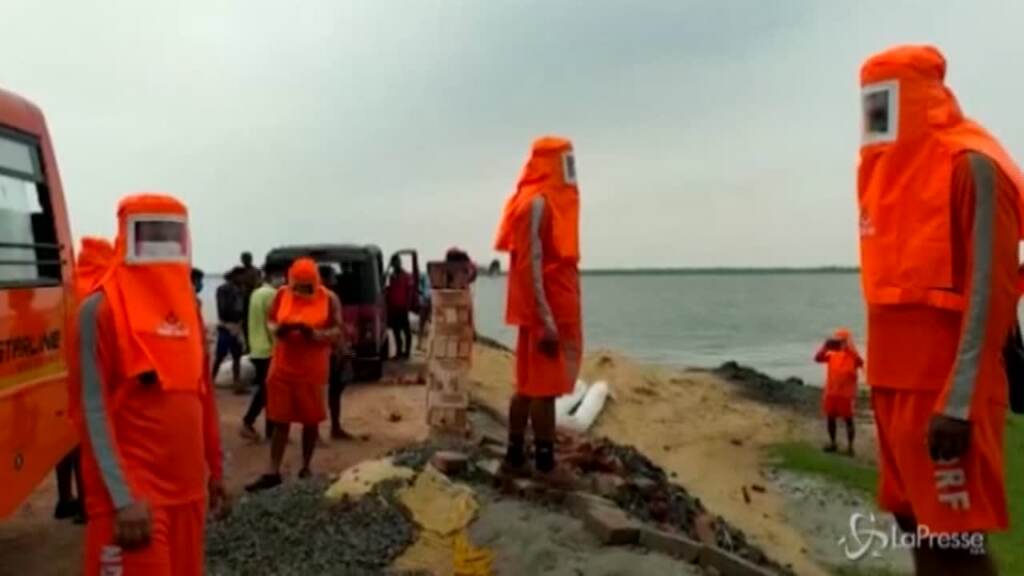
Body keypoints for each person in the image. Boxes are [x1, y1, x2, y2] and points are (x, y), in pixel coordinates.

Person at [858, 46, 1023, 575]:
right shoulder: (881, 175)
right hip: (891, 384)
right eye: (867, 104)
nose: (873, 117)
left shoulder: (971, 166)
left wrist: (959, 404)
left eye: (883, 102)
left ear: (918, 97)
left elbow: (992, 291)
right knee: (913, 526)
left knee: (956, 544)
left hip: (945, 391)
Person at [72, 194, 225, 575]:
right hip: (134, 502)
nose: (161, 245)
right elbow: (92, 410)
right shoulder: (98, 310)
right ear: (127, 237)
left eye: (169, 234)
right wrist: (121, 498)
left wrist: (216, 469)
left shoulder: (189, 309)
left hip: (189, 495)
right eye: (151, 234)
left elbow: (202, 394)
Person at [494, 136, 582, 484]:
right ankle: (545, 466)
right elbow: (528, 267)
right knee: (542, 391)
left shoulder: (552, 202)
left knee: (530, 386)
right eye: (566, 161)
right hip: (544, 314)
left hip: (554, 309)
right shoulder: (537, 204)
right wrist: (545, 320)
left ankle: (515, 456)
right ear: (549, 163)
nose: (571, 169)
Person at [246, 258, 342, 491]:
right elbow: (270, 321)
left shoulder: (329, 299)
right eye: (298, 287)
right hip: (283, 366)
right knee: (280, 420)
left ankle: (306, 467)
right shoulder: (281, 295)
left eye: (307, 287)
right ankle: (273, 471)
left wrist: (315, 335)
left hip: (312, 369)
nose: (302, 292)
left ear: (316, 282)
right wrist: (279, 330)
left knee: (310, 420)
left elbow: (337, 330)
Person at [55, 236, 115, 525]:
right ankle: (86, 504)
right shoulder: (101, 289)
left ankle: (64, 499)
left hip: (58, 373)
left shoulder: (70, 285)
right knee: (85, 441)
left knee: (64, 439)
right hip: (87, 377)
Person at [241, 261, 286, 441]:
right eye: (281, 277)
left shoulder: (256, 293)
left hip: (257, 347)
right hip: (269, 349)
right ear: (273, 277)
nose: (283, 281)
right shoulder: (272, 295)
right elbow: (273, 324)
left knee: (268, 391)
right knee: (268, 391)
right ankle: (249, 422)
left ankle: (270, 430)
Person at [814, 329, 863, 456]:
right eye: (836, 340)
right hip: (831, 392)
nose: (839, 342)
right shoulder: (832, 354)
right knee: (830, 418)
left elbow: (861, 362)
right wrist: (825, 346)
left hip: (846, 395)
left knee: (848, 420)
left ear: (848, 341)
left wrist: (849, 348)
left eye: (841, 340)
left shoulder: (853, 356)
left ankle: (850, 447)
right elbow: (817, 358)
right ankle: (833, 443)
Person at [318, 265, 353, 440]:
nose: (335, 279)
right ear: (325, 278)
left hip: (314, 351)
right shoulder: (331, 297)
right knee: (335, 390)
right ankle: (335, 427)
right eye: (332, 276)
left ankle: (314, 431)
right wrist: (343, 349)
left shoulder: (308, 297)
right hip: (331, 350)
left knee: (316, 392)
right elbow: (337, 326)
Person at [212, 267, 245, 393]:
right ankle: (211, 381)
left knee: (236, 356)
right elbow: (223, 309)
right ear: (235, 276)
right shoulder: (225, 289)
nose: (243, 278)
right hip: (227, 326)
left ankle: (236, 382)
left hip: (234, 325)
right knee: (221, 355)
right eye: (241, 276)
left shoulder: (238, 289)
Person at [385, 256, 415, 359]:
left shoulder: (407, 276)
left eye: (397, 262)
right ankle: (399, 352)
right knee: (396, 331)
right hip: (393, 308)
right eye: (394, 263)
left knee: (406, 331)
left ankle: (407, 352)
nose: (396, 264)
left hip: (403, 307)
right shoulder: (391, 277)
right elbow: (387, 290)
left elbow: (410, 292)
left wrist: (408, 306)